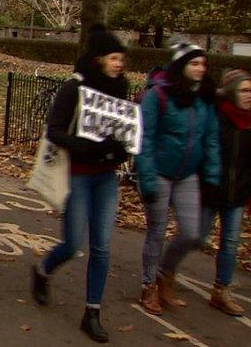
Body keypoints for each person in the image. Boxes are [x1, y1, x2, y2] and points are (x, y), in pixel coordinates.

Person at [30, 26, 131, 343]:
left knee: (101, 246)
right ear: (98, 58)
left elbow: (123, 127)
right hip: (78, 175)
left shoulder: (120, 88)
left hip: (106, 177)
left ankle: (92, 312)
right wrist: (81, 146)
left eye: (122, 59)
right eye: (114, 58)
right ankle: (43, 270)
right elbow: (54, 131)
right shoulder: (75, 88)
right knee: (73, 244)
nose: (119, 64)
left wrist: (123, 146)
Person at [136, 42, 221, 316]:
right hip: (159, 172)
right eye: (194, 63)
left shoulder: (204, 99)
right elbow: (144, 138)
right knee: (157, 232)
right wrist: (147, 179)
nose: (200, 69)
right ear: (181, 66)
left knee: (193, 233)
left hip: (187, 176)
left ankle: (165, 273)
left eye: (203, 64)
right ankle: (148, 285)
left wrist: (211, 176)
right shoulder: (158, 96)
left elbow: (210, 140)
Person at [202, 69, 251, 316]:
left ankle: (221, 290)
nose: (249, 95)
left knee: (230, 242)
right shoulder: (216, 117)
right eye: (244, 90)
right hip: (212, 189)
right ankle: (165, 273)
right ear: (231, 92)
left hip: (238, 192)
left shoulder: (250, 122)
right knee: (196, 236)